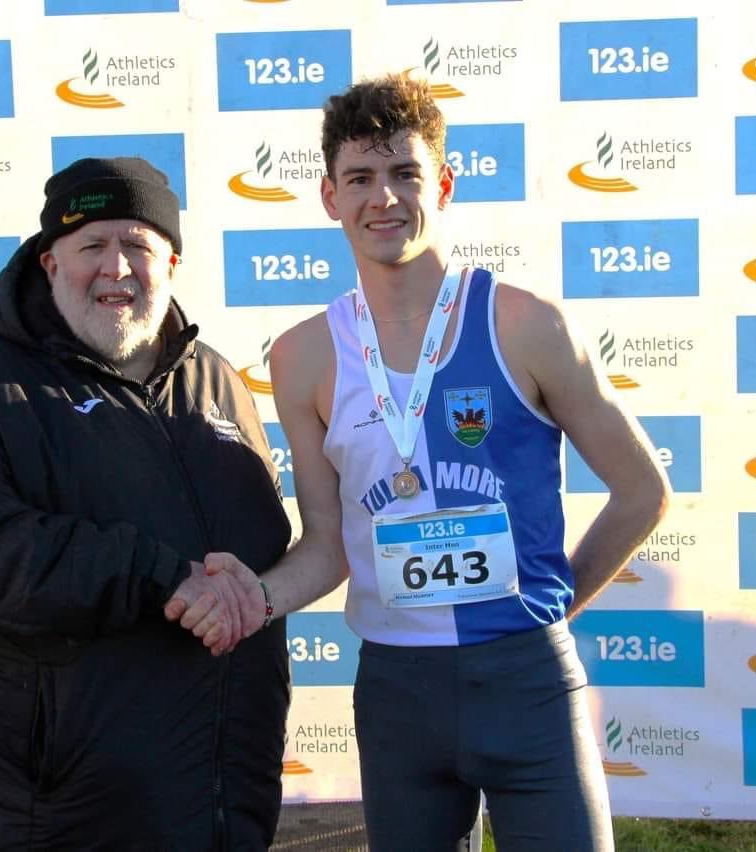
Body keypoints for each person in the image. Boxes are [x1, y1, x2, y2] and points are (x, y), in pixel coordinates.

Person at [167, 74, 671, 851]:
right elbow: (330, 543)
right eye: (360, 178)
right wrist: (252, 601)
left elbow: (641, 492)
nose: (385, 198)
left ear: (442, 183)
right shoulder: (301, 357)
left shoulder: (525, 324)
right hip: (399, 694)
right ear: (330, 197)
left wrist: (548, 610)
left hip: (528, 681)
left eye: (405, 173)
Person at [0, 156, 292, 851]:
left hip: (216, 808)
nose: (116, 269)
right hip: (37, 822)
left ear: (171, 261)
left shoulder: (221, 384)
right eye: (92, 246)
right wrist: (162, 577)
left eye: (138, 245)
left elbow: (257, 556)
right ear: (49, 264)